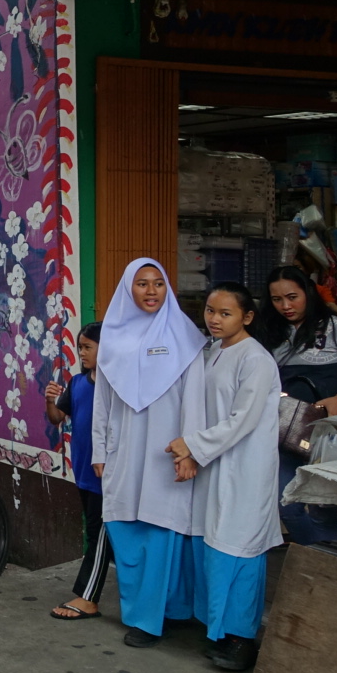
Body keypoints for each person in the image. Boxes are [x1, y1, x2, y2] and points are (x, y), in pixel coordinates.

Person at [92, 258, 207, 649]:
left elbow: (194, 401)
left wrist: (190, 450)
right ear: (129, 288)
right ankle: (150, 609)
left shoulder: (186, 337)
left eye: (158, 283)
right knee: (125, 528)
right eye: (142, 283)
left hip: (167, 450)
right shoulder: (112, 338)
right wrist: (99, 450)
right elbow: (102, 402)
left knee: (163, 529)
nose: (151, 290)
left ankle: (152, 618)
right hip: (124, 451)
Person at [166, 282, 281, 672]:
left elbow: (243, 420)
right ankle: (217, 629)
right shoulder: (214, 351)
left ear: (247, 317)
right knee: (213, 543)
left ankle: (241, 639)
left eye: (225, 313)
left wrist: (191, 445)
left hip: (245, 467)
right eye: (210, 311)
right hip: (215, 464)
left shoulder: (256, 359)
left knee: (241, 548)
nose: (214, 319)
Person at [255, 265, 337, 544]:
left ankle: (330, 562)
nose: (285, 306)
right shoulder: (268, 331)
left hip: (333, 427)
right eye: (277, 299)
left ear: (308, 293)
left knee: (322, 506)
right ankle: (316, 555)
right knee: (286, 504)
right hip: (286, 428)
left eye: (292, 297)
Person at [44, 322, 110, 621]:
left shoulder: (114, 388)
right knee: (97, 533)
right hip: (83, 473)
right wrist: (50, 400)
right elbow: (57, 417)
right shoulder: (78, 383)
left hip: (105, 476)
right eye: (80, 347)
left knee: (99, 535)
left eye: (88, 347)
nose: (81, 353)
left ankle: (88, 596)